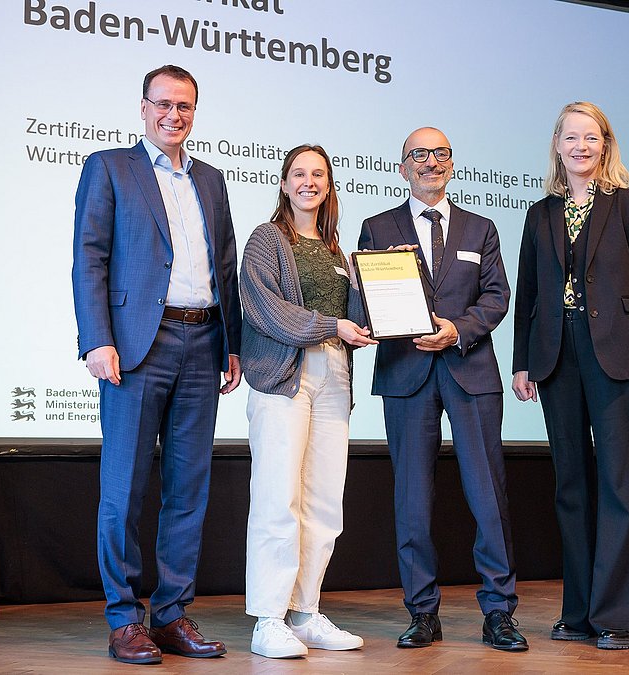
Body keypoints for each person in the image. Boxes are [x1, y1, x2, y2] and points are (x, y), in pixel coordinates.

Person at [72, 64, 242, 666]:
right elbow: (89, 258)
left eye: (186, 106)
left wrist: (232, 343)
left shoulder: (213, 180)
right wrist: (97, 339)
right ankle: (124, 619)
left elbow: (226, 269)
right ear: (143, 108)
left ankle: (170, 616)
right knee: (124, 488)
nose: (175, 115)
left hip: (203, 343)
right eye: (164, 104)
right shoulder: (110, 168)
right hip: (138, 345)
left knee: (188, 490)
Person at [359, 127, 527, 652]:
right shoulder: (377, 227)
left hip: (469, 369)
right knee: (412, 498)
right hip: (406, 374)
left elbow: (498, 298)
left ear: (451, 163)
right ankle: (422, 613)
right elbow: (363, 306)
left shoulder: (482, 228)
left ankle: (499, 611)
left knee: (488, 495)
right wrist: (375, 288)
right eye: (419, 155)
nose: (431, 162)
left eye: (440, 153)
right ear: (402, 167)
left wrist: (458, 329)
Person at [510, 101, 629, 650]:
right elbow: (528, 293)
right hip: (556, 356)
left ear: (605, 145)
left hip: (618, 356)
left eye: (591, 137)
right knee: (570, 486)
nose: (580, 146)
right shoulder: (540, 213)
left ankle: (619, 616)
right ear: (557, 144)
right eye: (571, 137)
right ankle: (577, 612)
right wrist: (522, 361)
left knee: (620, 484)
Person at [239, 145, 376, 659]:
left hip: (335, 376)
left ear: (329, 184)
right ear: (283, 182)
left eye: (318, 174)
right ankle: (269, 619)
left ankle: (307, 611)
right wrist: (330, 325)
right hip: (283, 378)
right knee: (279, 499)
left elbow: (359, 314)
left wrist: (380, 301)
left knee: (323, 502)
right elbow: (263, 309)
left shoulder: (339, 251)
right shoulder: (266, 240)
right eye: (299, 173)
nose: (308, 182)